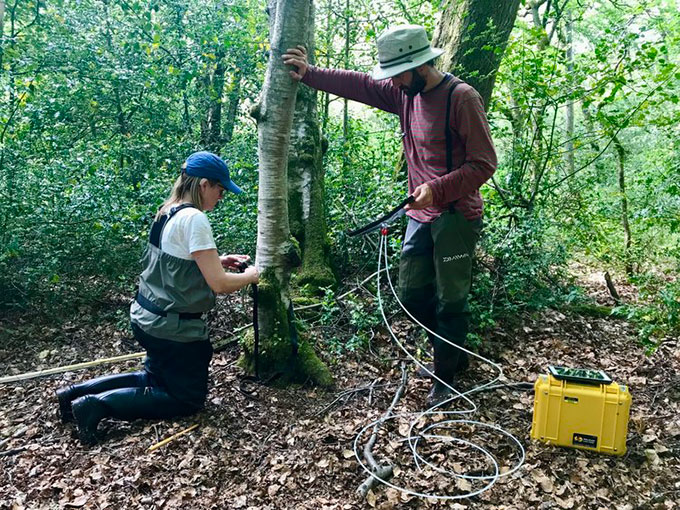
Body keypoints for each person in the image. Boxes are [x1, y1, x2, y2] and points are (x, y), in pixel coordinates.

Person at [283, 25, 497, 405]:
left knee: (451, 299)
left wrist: (437, 189)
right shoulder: (404, 93)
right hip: (420, 215)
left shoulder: (461, 98)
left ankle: (444, 376)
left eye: (399, 73)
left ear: (421, 66)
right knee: (412, 293)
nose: (394, 82)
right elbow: (361, 85)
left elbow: (484, 164)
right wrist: (310, 74)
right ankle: (449, 351)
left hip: (456, 217)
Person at [55, 151, 259, 445]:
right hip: (172, 329)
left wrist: (219, 258)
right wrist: (252, 275)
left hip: (147, 316)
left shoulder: (169, 210)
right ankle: (95, 406)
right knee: (186, 398)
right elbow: (219, 284)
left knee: (155, 378)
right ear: (203, 184)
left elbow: (178, 263)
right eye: (220, 188)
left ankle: (74, 394)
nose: (221, 195)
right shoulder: (195, 219)